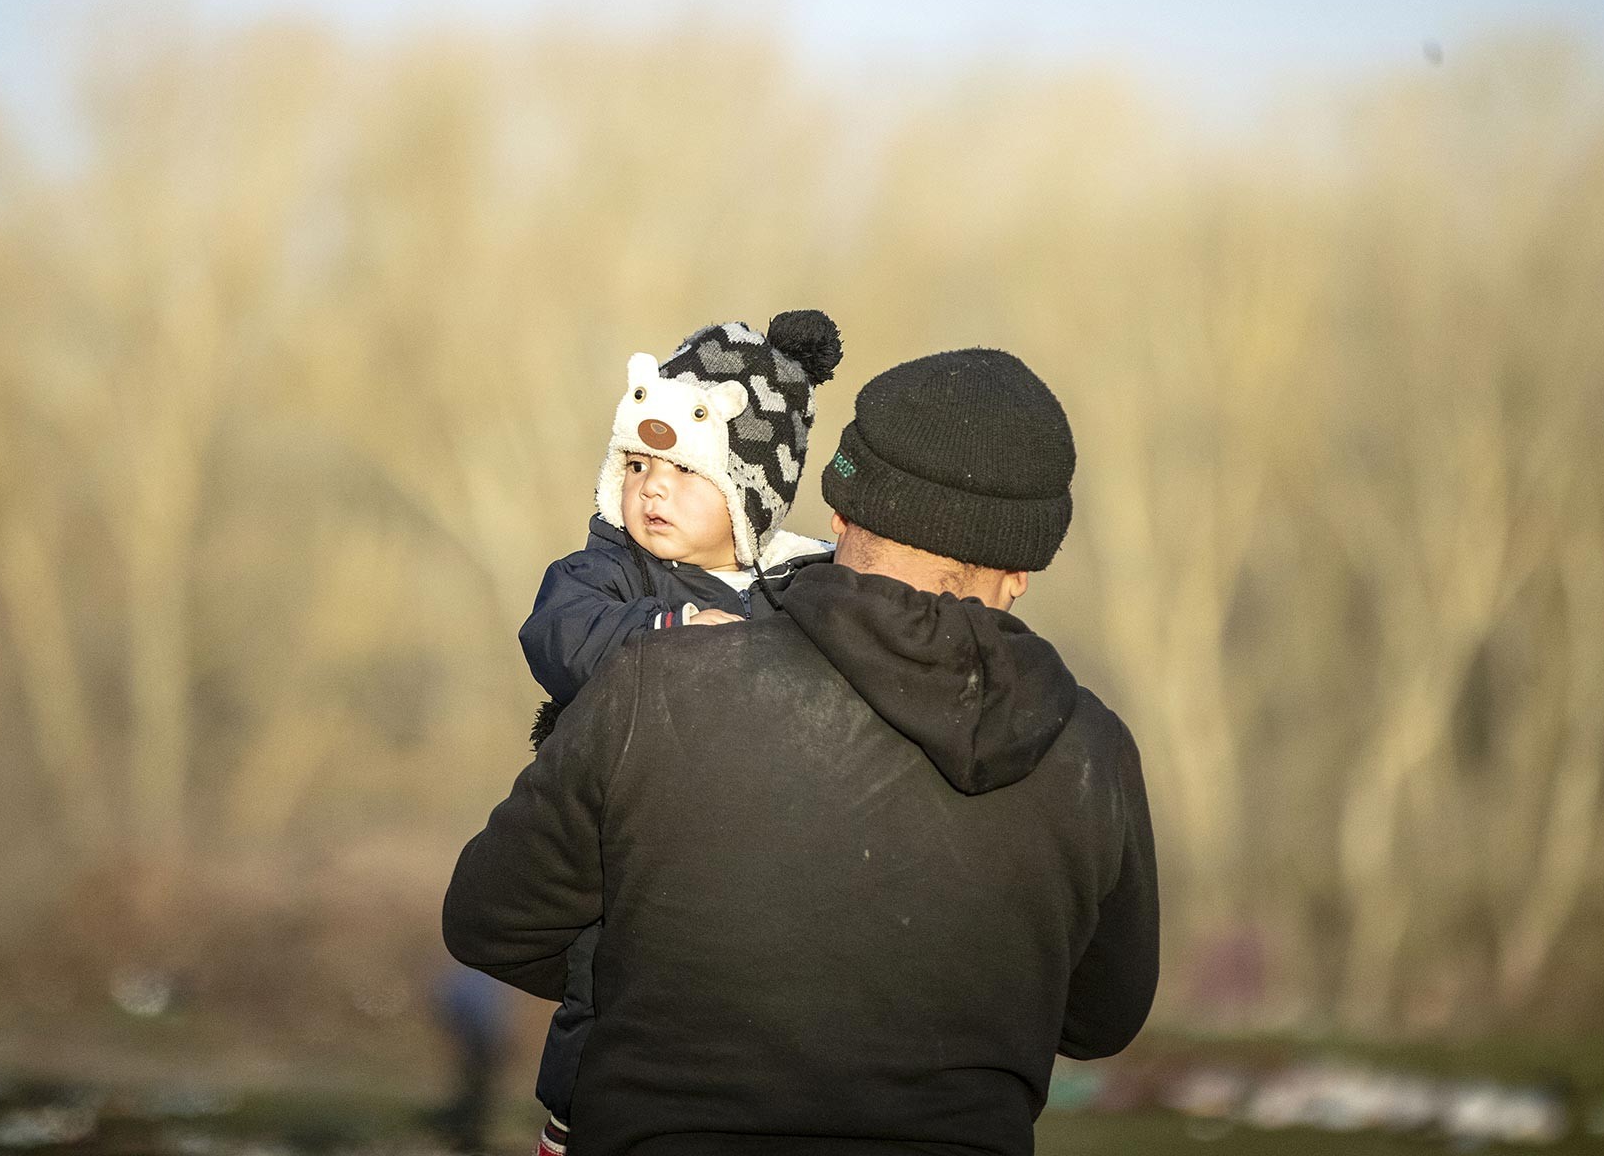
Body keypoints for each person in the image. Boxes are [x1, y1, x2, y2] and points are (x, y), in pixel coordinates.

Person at [445, 348, 1159, 1156]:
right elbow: (1102, 1018)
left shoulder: (656, 679)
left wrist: (665, 976)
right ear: (1022, 569)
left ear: (844, 513)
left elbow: (490, 923)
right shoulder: (1090, 750)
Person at [518, 310, 845, 1153]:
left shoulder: (803, 592)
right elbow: (556, 632)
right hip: (626, 839)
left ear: (750, 496)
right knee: (608, 978)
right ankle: (575, 1115)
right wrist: (662, 637)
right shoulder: (608, 573)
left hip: (754, 857)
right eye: (637, 463)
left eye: (685, 470)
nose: (652, 488)